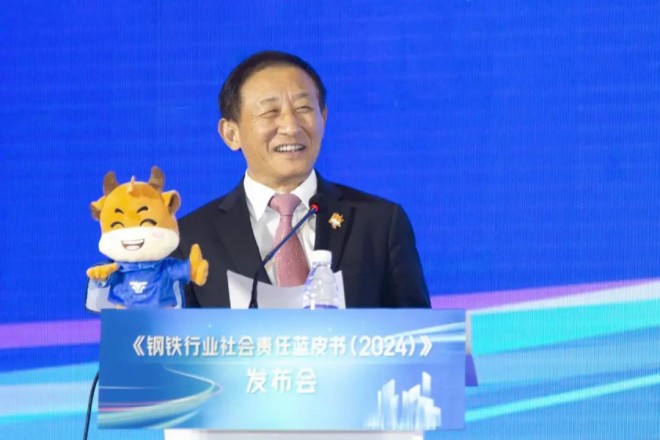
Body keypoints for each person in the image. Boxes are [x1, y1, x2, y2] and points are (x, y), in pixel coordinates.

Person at [176, 50, 430, 308]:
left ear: (323, 118)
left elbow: (418, 330)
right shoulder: (189, 239)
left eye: (304, 108)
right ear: (231, 134)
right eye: (270, 111)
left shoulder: (380, 224)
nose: (291, 127)